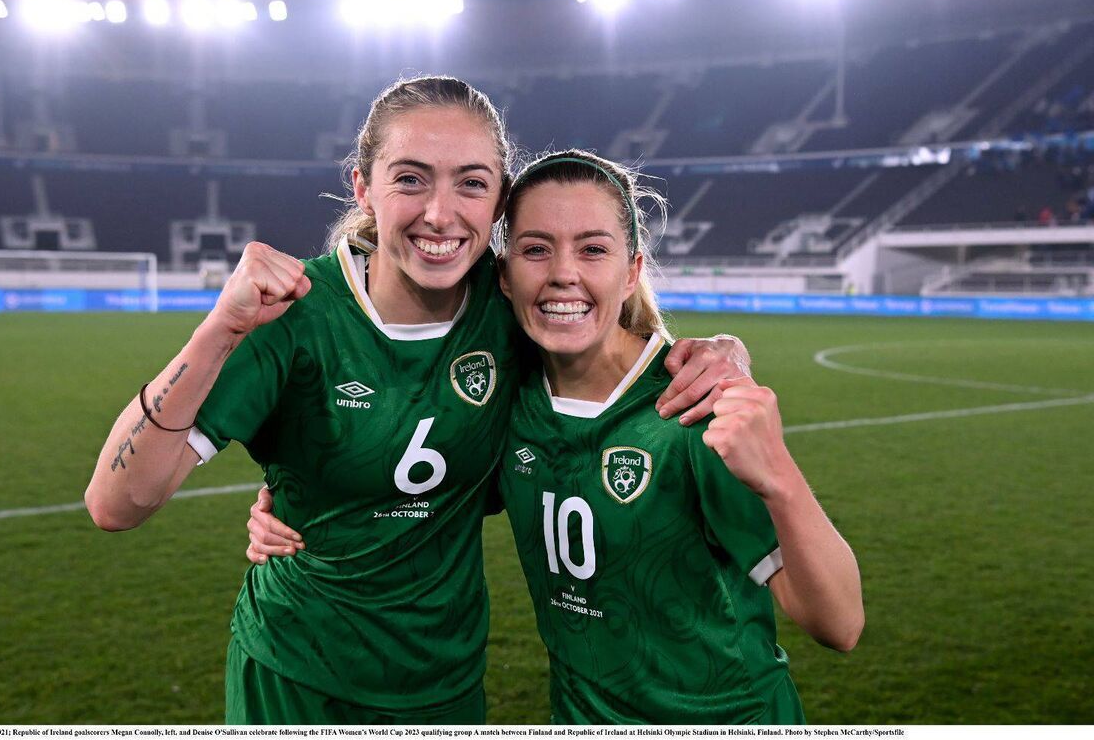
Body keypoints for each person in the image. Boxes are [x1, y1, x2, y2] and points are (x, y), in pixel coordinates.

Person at [85, 77, 752, 725]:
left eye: (470, 182)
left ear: (497, 203)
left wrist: (723, 351)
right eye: (409, 178)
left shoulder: (512, 308)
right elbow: (115, 503)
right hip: (296, 677)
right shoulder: (293, 316)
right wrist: (218, 331)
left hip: (443, 684)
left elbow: (616, 349)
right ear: (363, 188)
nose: (440, 212)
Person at [250, 148, 865, 725]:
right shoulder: (505, 401)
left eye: (593, 250)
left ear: (631, 272)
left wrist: (780, 477)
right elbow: (417, 488)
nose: (564, 274)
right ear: (506, 274)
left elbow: (839, 623)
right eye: (536, 249)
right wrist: (292, 507)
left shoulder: (694, 408)